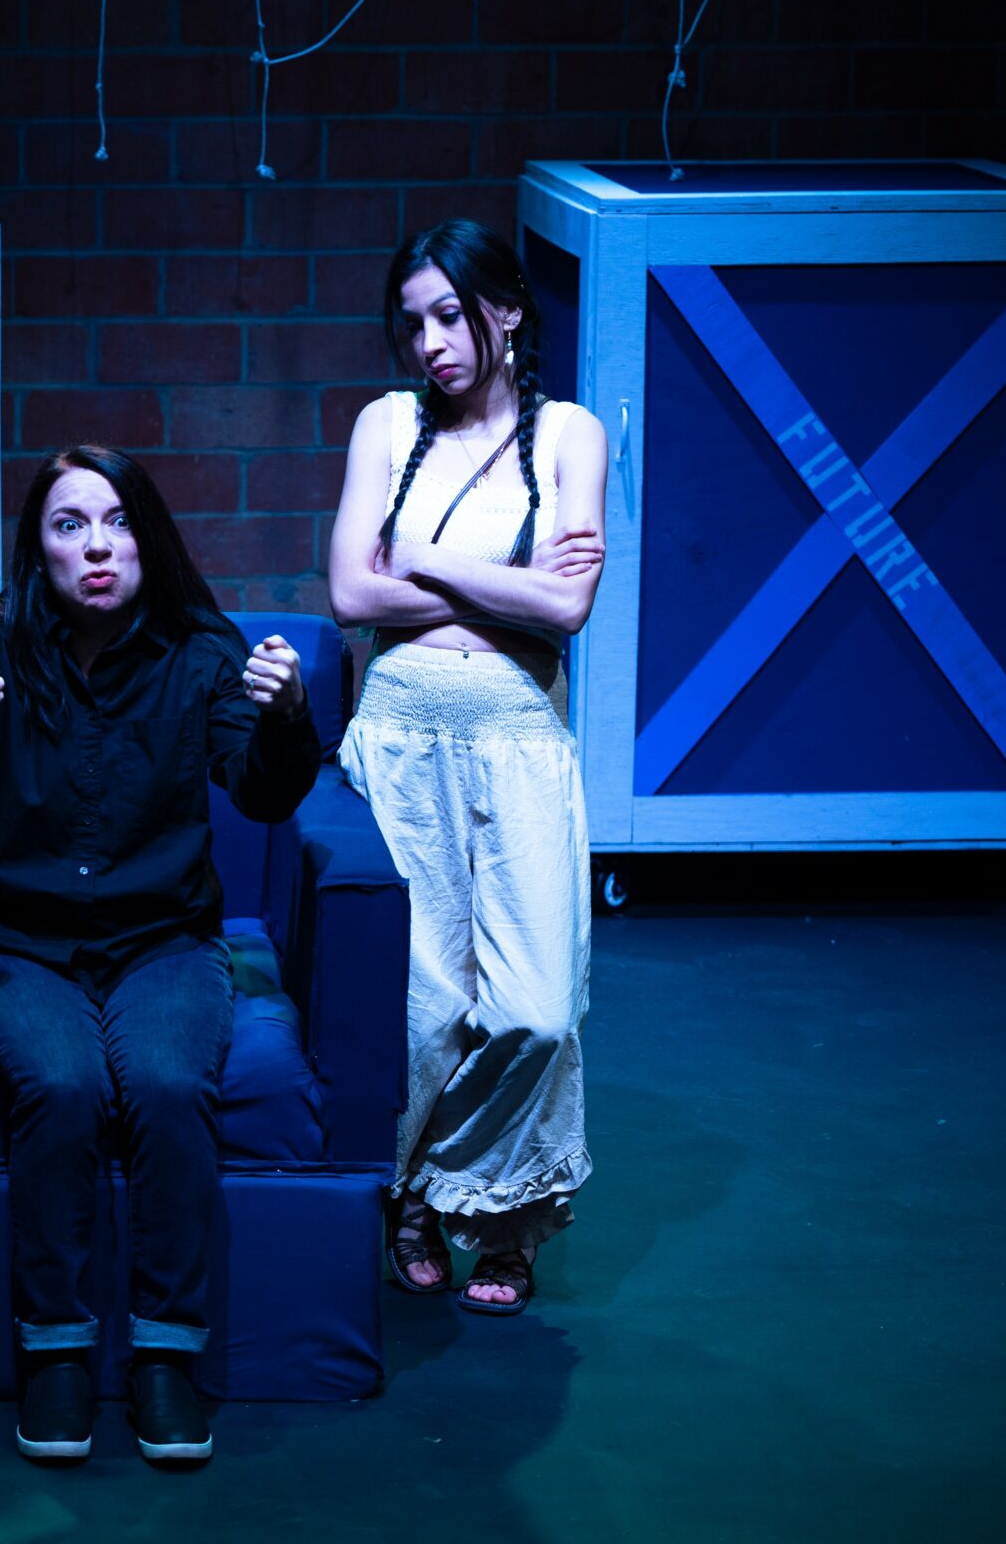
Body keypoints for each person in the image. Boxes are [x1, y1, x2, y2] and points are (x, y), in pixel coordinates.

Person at [0, 446, 321, 1466]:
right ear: (37, 548)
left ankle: (166, 1354)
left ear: (147, 538)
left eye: (118, 521)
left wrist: (288, 719)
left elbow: (261, 792)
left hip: (160, 937)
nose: (97, 545)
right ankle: (56, 1351)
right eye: (70, 524)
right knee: (63, 1084)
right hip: (15, 940)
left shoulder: (200, 648)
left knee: (169, 1084)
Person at [325, 219, 609, 1317]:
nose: (430, 344)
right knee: (421, 1008)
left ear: (508, 310)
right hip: (400, 737)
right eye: (413, 324)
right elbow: (352, 595)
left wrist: (427, 559)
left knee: (535, 1009)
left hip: (518, 742)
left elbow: (568, 606)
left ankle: (478, 1193)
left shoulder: (569, 434)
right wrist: (509, 583)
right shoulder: (387, 425)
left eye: (450, 315)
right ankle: (422, 1206)